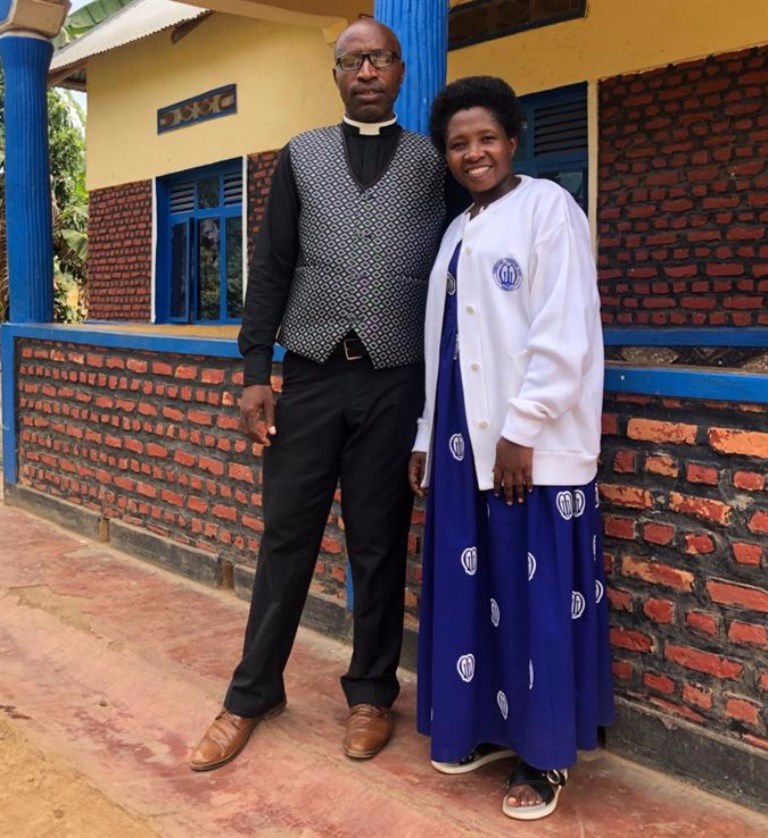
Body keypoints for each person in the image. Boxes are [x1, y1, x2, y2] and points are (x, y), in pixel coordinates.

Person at [189, 19, 450, 771]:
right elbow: (270, 269)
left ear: (401, 72)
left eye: (380, 59)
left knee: (377, 542)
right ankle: (251, 693)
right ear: (335, 73)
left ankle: (371, 693)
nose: (367, 70)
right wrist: (252, 375)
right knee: (286, 537)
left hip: (395, 379)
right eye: (352, 60)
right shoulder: (301, 156)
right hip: (307, 375)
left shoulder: (432, 163)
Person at [408, 76, 614, 821]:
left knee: (533, 593)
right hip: (464, 440)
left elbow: (564, 329)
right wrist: (430, 435)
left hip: (527, 438)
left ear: (512, 139)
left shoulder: (549, 208)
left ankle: (545, 756)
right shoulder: (458, 227)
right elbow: (443, 345)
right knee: (479, 583)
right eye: (459, 144)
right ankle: (489, 728)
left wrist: (524, 429)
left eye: (486, 138)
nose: (474, 153)